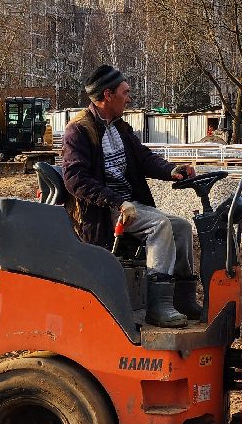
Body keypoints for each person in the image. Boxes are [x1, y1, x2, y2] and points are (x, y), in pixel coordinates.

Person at [61, 64, 201, 328]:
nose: (129, 97)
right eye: (125, 92)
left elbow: (144, 158)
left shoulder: (119, 128)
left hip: (127, 204)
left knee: (181, 227)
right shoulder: (79, 131)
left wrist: (172, 170)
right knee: (160, 225)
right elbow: (75, 179)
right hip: (104, 210)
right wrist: (116, 201)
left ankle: (182, 299)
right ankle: (158, 307)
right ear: (108, 95)